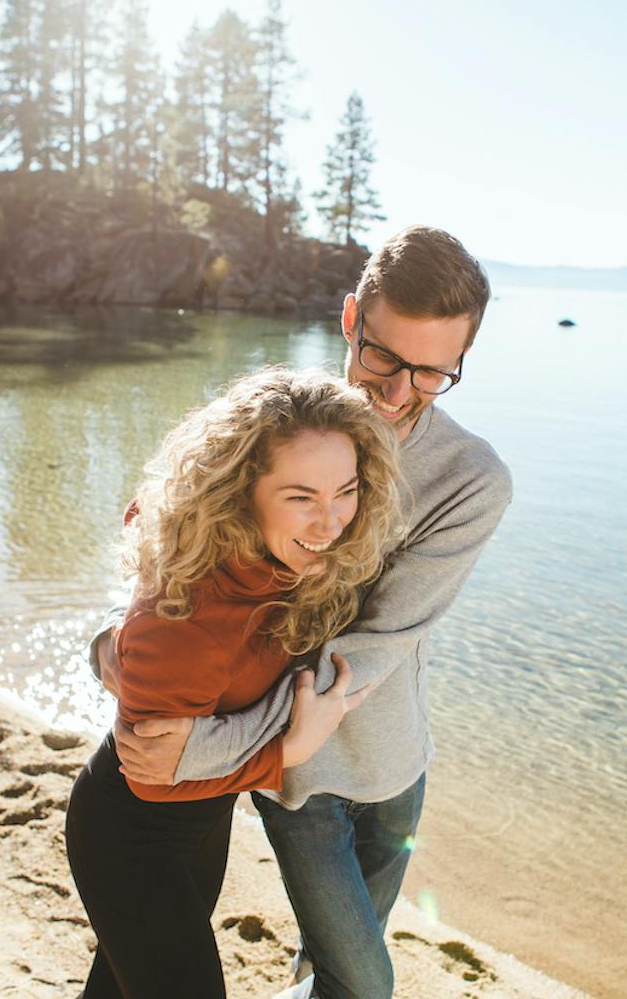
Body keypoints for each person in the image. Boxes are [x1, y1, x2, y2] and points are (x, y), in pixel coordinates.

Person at [90, 225, 513, 998]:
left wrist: (203, 749)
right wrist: (115, 647)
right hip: (298, 776)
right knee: (363, 981)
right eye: (383, 357)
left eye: (430, 373)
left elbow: (378, 644)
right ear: (351, 319)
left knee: (331, 978)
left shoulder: (471, 479)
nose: (394, 391)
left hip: (390, 765)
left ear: (460, 363)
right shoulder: (286, 423)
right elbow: (165, 529)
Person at [66, 367, 403, 999]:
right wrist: (286, 753)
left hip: (201, 825)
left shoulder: (290, 559)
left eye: (347, 491)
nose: (331, 524)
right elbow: (151, 774)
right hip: (133, 835)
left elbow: (139, 513)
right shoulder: (183, 618)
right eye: (302, 496)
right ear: (240, 491)